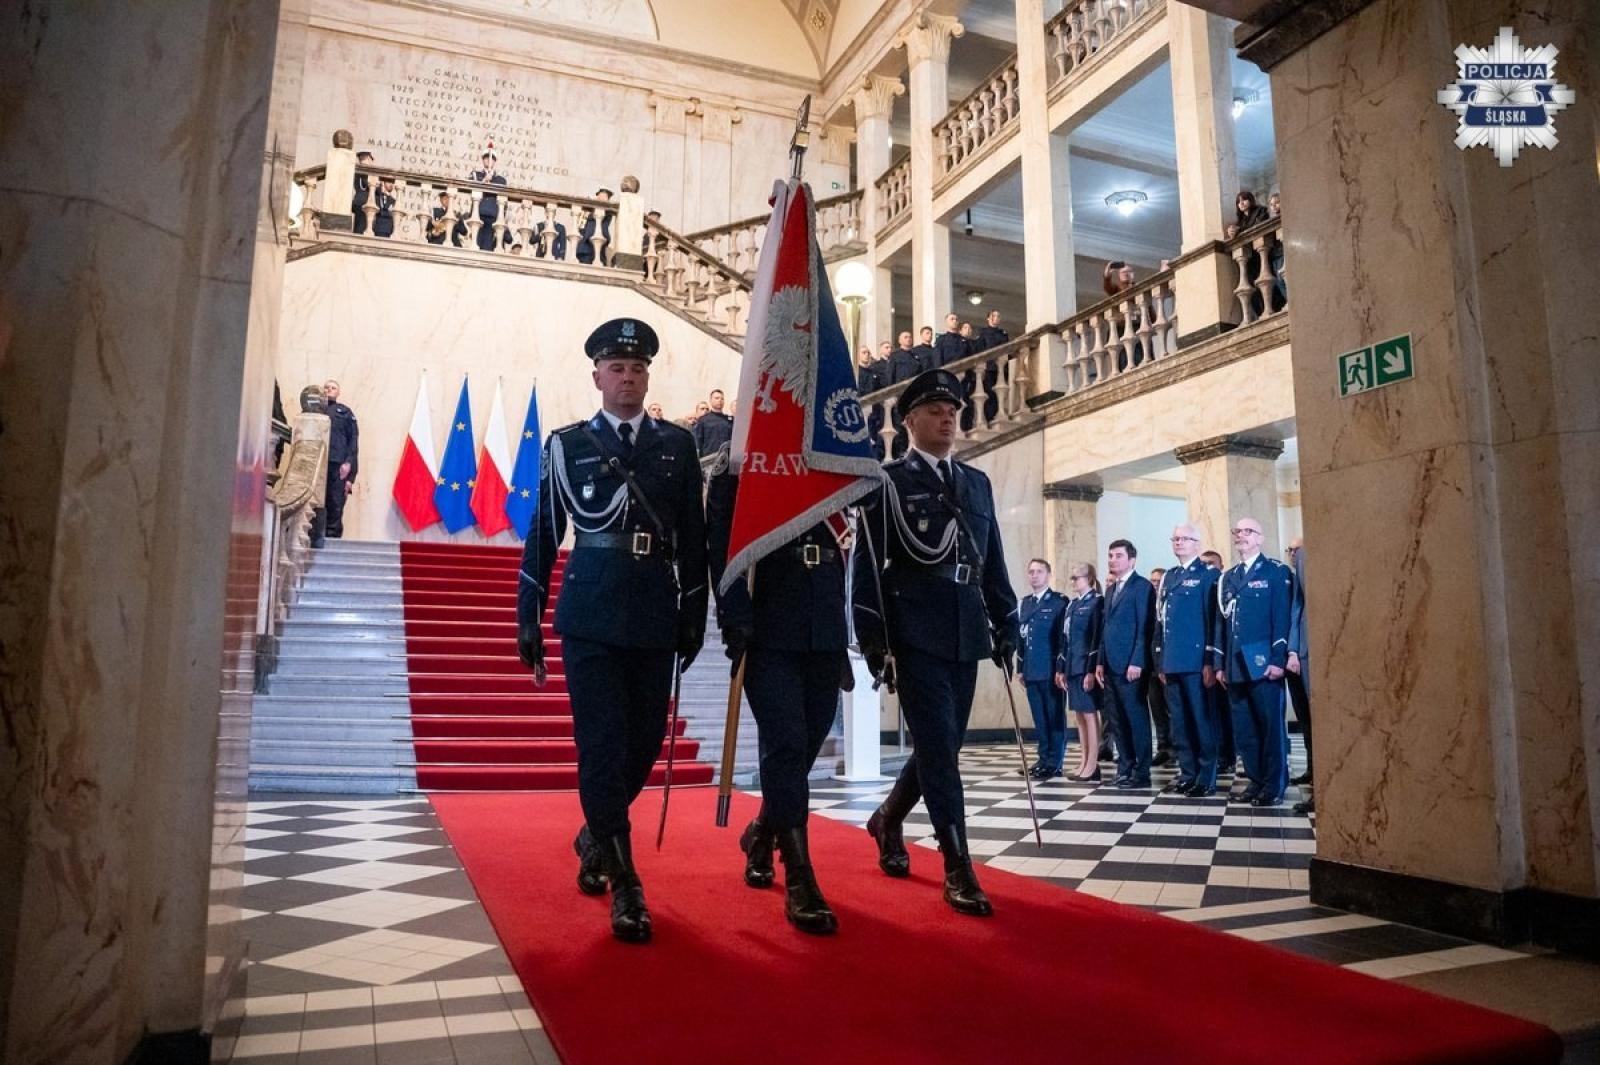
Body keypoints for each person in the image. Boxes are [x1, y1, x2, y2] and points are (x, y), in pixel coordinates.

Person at [516, 317, 707, 943]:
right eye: (618, 368)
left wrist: (694, 611)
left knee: (645, 741)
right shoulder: (567, 445)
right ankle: (626, 884)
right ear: (597, 376)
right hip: (591, 614)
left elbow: (695, 542)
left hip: (654, 608)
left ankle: (595, 829)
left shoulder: (677, 447)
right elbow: (545, 533)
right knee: (601, 744)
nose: (629, 378)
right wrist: (528, 615)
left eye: (639, 368)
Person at [854, 369, 1018, 917]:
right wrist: (875, 640)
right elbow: (868, 568)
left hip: (965, 629)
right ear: (909, 422)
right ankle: (958, 867)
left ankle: (887, 819)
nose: (947, 418)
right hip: (915, 631)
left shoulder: (977, 482)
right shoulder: (887, 481)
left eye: (952, 411)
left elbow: (989, 558)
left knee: (940, 748)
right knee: (940, 755)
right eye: (934, 411)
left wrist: (1007, 620)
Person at [706, 450, 847, 935]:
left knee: (805, 745)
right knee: (785, 744)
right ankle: (802, 878)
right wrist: (734, 615)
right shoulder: (746, 453)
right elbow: (722, 542)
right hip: (768, 624)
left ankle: (761, 833)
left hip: (824, 625)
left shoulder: (832, 448)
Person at [1214, 517, 1293, 807]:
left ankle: (1274, 785)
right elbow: (1222, 624)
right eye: (1237, 531)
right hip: (1235, 664)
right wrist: (1219, 663)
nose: (1241, 536)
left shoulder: (1275, 572)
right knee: (1245, 729)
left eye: (1248, 531)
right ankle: (1255, 780)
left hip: (1263, 663)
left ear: (1260, 538)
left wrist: (1278, 658)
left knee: (1269, 727)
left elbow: (1281, 618)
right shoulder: (1229, 577)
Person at [1155, 525, 1222, 796]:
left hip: (1196, 661)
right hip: (1172, 660)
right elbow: (1161, 621)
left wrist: (1209, 660)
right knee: (1180, 722)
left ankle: (1206, 777)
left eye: (1184, 539)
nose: (1179, 542)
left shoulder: (1208, 574)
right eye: (1176, 538)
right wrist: (1160, 659)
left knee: (1201, 720)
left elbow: (1212, 620)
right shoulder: (1169, 577)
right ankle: (1188, 772)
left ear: (1197, 543)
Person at [1095, 539, 1154, 789]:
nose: (1112, 560)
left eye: (1118, 556)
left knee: (1135, 719)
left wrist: (1137, 661)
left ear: (1131, 560)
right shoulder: (1110, 590)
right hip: (1110, 665)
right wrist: (1099, 662)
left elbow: (1144, 627)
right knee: (1117, 720)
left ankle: (1141, 771)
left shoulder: (1142, 587)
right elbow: (1105, 628)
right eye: (1110, 555)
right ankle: (1125, 767)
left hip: (1131, 666)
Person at [1016, 559, 1068, 779]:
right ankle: (1043, 758)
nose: (1034, 575)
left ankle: (1055, 761)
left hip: (1050, 671)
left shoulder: (1059, 602)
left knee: (1054, 717)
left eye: (1039, 572)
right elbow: (1020, 639)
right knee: (1039, 717)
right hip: (1031, 670)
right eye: (1031, 572)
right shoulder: (1024, 603)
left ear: (1048, 575)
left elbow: (1061, 640)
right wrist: (1020, 667)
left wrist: (1060, 668)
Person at [1055, 562, 1105, 782]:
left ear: (1090, 579)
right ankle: (1084, 759)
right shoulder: (1073, 605)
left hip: (1086, 666)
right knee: (1079, 715)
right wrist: (1061, 668)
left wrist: (1091, 670)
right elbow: (1066, 639)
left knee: (1089, 714)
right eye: (1072, 578)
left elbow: (1096, 638)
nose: (1073, 581)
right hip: (1072, 666)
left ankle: (1093, 764)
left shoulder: (1096, 602)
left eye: (1078, 577)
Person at [1200, 548, 1236, 776]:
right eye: (1204, 565)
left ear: (1221, 566)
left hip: (1223, 658)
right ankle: (1217, 755)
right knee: (1210, 713)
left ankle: (1228, 755)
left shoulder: (1224, 586)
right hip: (1204, 658)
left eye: (1212, 564)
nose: (1208, 568)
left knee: (1226, 712)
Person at [1286, 537, 1314, 808]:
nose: (1294, 554)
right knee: (1308, 720)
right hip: (1301, 654)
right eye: (1291, 550)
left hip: (1317, 654)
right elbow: (1298, 608)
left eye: (1297, 550)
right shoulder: (1295, 573)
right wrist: (1293, 649)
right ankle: (1315, 773)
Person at [316, 379, 358, 544]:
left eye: (333, 388)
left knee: (335, 501)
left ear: (338, 392)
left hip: (338, 464)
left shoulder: (345, 412)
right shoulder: (316, 411)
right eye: (326, 388)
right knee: (318, 501)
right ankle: (316, 536)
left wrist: (349, 465)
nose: (329, 390)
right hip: (318, 462)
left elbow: (353, 441)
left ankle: (332, 538)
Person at [1146, 567, 1174, 768]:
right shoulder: (1148, 603)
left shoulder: (1167, 603)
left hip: (1167, 663)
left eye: (1158, 581)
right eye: (1152, 581)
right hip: (1151, 665)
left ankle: (1176, 749)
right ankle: (1163, 747)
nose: (1155, 584)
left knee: (1171, 708)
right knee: (1156, 709)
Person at [469, 151, 507, 251]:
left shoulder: (500, 179)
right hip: (478, 213)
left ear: (495, 162)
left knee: (487, 245)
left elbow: (501, 194)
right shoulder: (475, 174)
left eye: (491, 159)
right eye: (486, 158)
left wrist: (491, 180)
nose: (489, 161)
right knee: (475, 244)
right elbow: (470, 186)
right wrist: (484, 181)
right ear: (483, 160)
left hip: (492, 215)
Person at [577, 188, 615, 265]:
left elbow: (597, 216)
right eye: (599, 196)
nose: (600, 198)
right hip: (585, 246)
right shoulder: (588, 210)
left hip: (598, 242)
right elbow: (581, 226)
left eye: (604, 197)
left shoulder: (607, 211)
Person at [690, 389, 733, 456]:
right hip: (709, 459)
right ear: (710, 400)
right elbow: (698, 442)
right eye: (717, 398)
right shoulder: (703, 420)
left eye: (722, 399)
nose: (720, 400)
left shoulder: (729, 420)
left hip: (726, 458)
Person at [351, 150, 374, 234]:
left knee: (359, 226)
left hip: (359, 202)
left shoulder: (358, 172)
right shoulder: (365, 172)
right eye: (371, 159)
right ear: (368, 158)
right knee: (361, 228)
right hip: (364, 202)